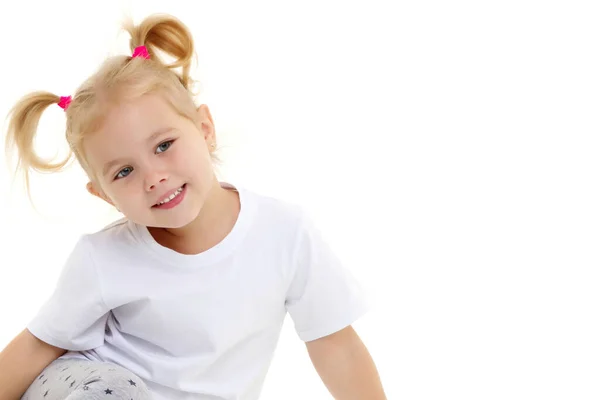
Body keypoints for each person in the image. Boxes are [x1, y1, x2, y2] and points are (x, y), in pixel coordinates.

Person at [0, 13, 386, 400]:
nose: (153, 178)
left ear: (205, 130)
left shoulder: (284, 234)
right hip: (88, 386)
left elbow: (335, 344)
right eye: (124, 172)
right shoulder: (102, 258)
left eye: (164, 146)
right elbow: (39, 344)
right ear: (104, 196)